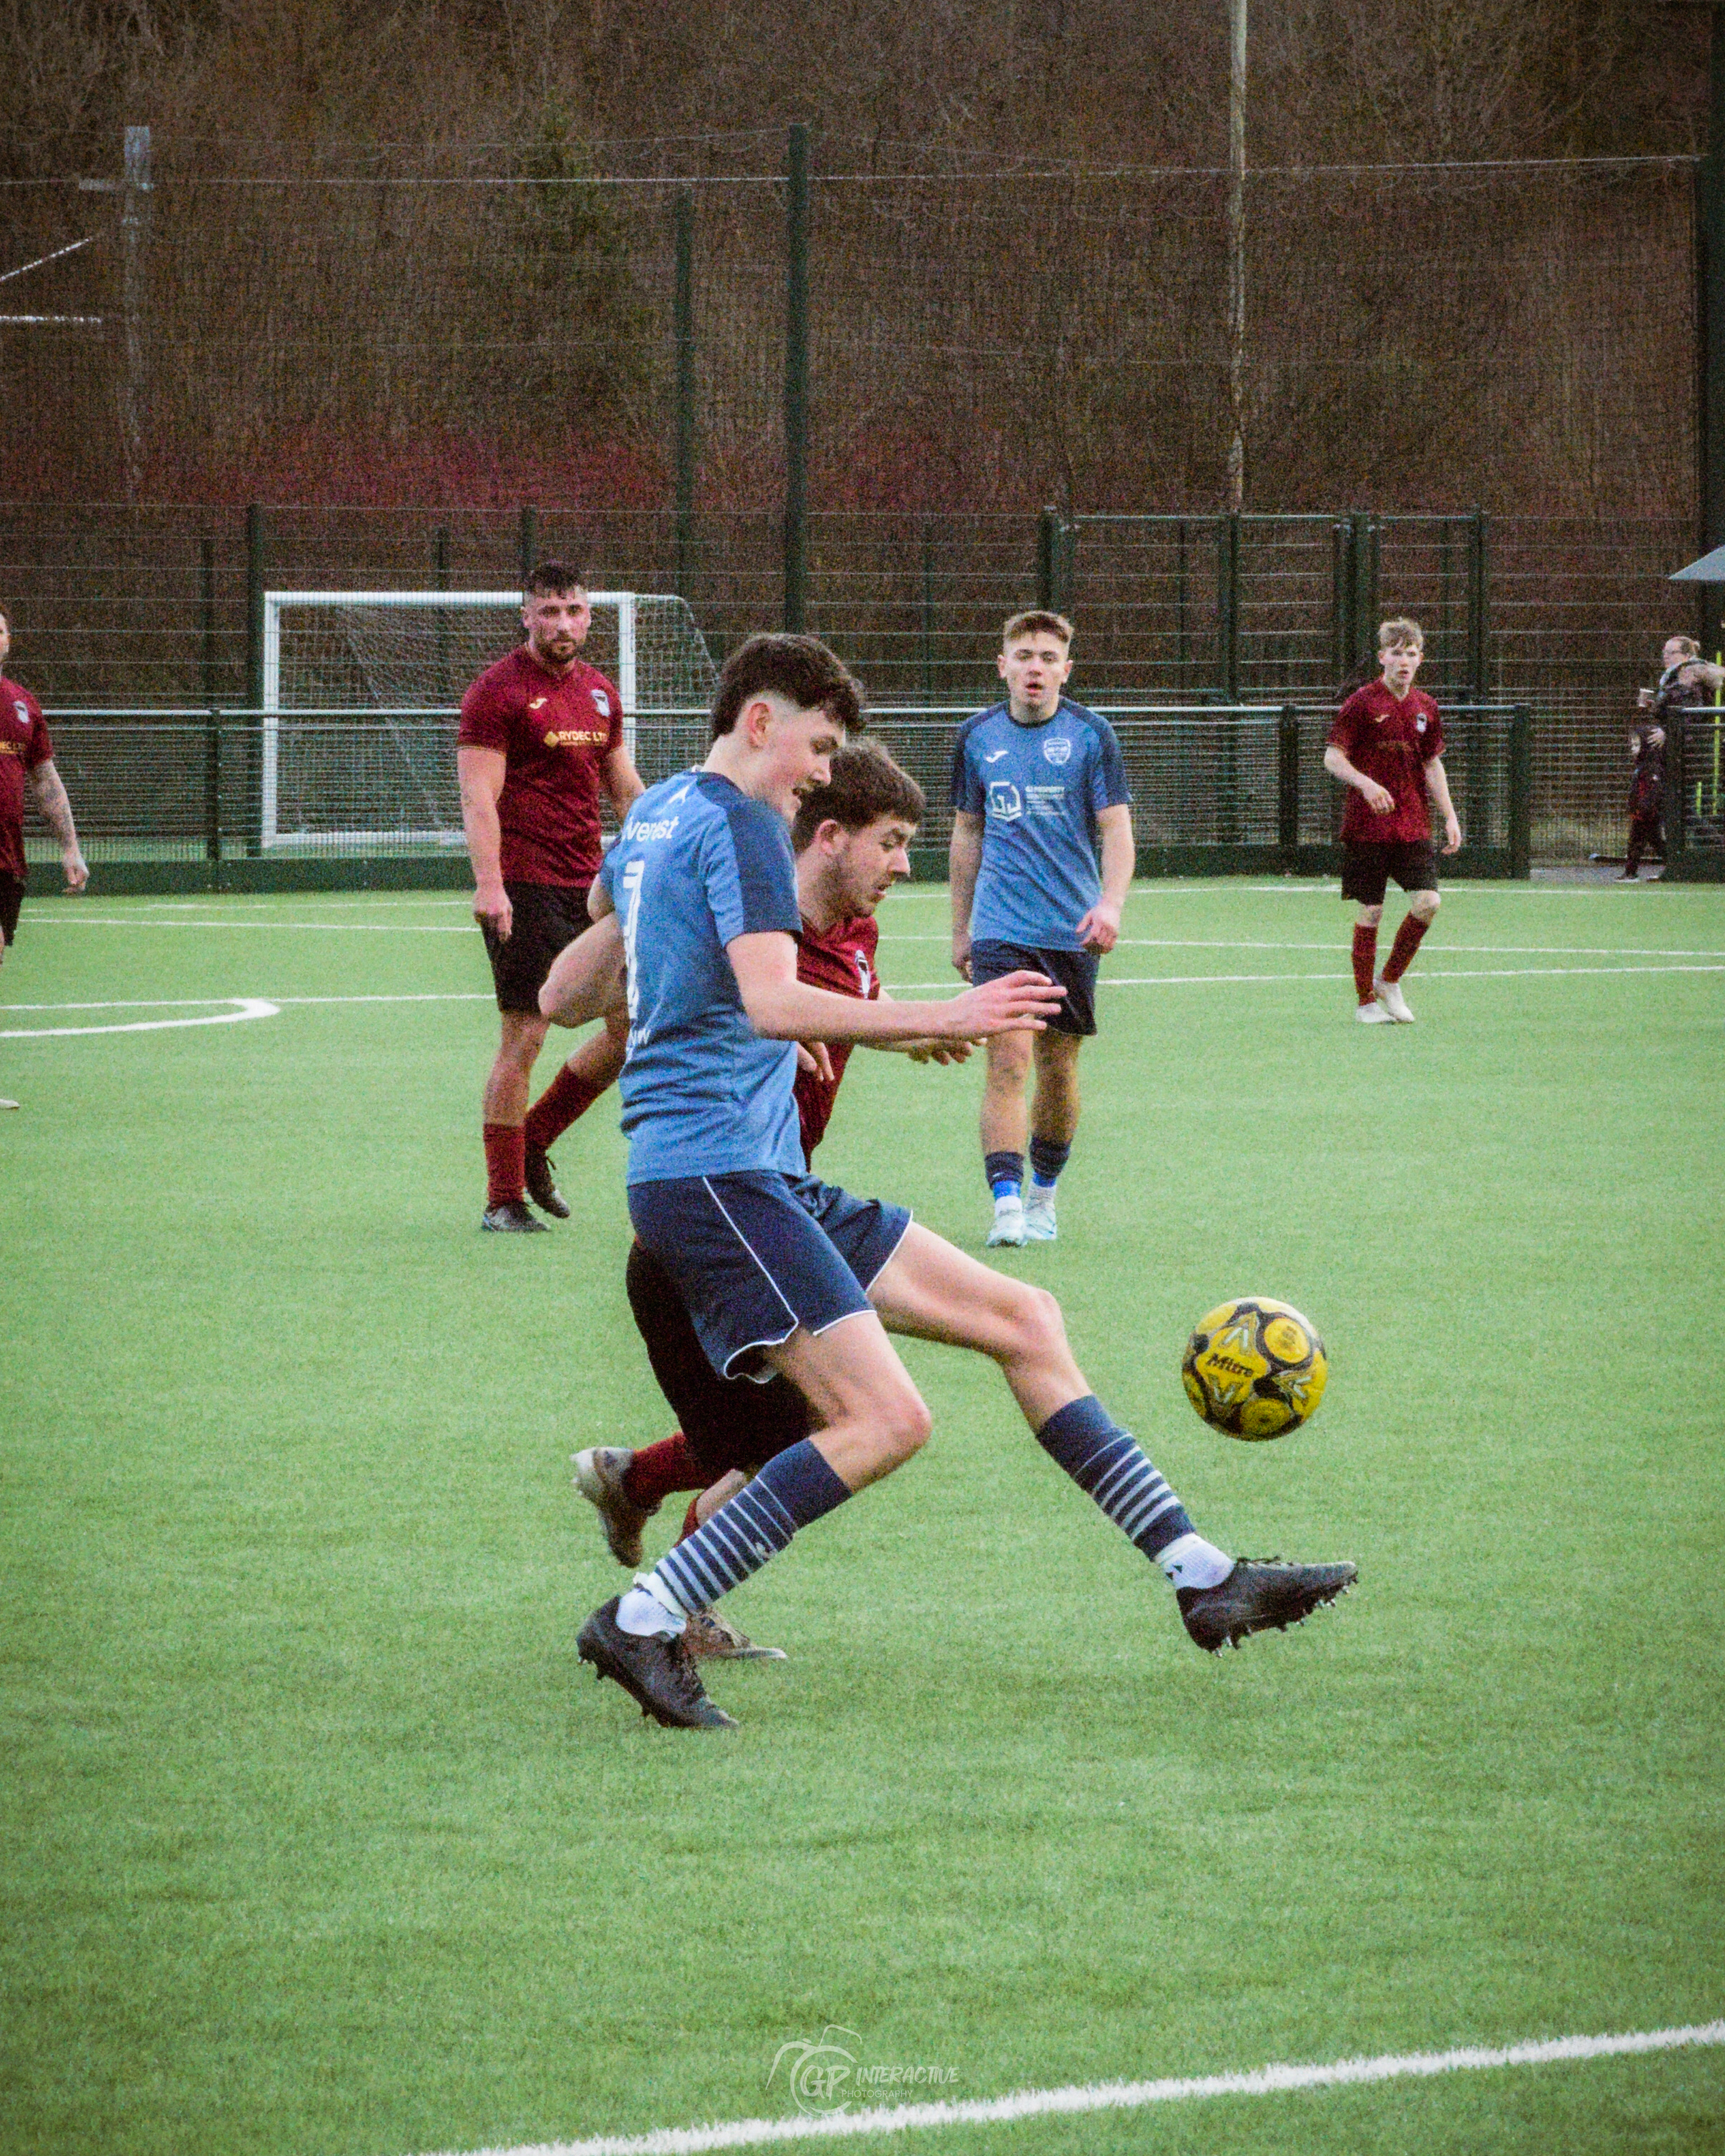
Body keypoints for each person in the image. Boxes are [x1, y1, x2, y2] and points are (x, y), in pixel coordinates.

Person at [547, 630, 1356, 1731]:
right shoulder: (739, 819)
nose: (818, 772)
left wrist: (658, 948)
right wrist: (944, 1012)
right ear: (756, 724)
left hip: (756, 1174)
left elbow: (561, 992)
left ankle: (1200, 1574)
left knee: (1025, 1316)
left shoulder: (653, 816)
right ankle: (647, 1616)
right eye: (816, 745)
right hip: (715, 1176)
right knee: (885, 1419)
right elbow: (773, 1002)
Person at [555, 739, 967, 1661]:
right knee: (845, 1422)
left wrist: (899, 1031)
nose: (905, 865)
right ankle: (659, 1608)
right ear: (829, 836)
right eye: (894, 841)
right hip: (721, 1203)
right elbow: (676, 1006)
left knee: (813, 1421)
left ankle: (641, 1504)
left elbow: (837, 997)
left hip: (778, 1199)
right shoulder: (755, 923)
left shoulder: (850, 925)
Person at [456, 561, 644, 1232]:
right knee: (526, 1033)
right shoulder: (496, 693)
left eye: (574, 611)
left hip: (591, 888)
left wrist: (663, 844)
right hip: (525, 883)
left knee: (629, 1030)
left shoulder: (599, 693)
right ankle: (503, 1198)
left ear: (590, 616)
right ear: (526, 616)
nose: (563, 624)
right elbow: (478, 796)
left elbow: (624, 790)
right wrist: (490, 884)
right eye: (549, 612)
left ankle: (534, 1137)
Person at [949, 610, 1134, 1249]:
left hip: (1071, 931)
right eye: (1024, 655)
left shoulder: (1092, 735)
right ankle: (1004, 1206)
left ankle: (1043, 1197)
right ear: (1003, 665)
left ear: (1066, 669)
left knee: (1058, 1066)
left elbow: (1116, 830)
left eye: (1049, 657)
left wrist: (1109, 905)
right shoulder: (975, 737)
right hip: (1002, 927)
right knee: (1007, 1060)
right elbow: (968, 833)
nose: (1036, 667)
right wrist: (961, 929)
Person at [1323, 617, 1461, 1025]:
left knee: (1429, 902)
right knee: (1372, 912)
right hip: (1368, 828)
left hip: (1412, 825)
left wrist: (1451, 816)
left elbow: (1433, 765)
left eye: (1412, 653)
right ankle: (1366, 1003)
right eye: (1397, 653)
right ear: (1382, 657)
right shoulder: (1362, 703)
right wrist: (1366, 785)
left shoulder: (1426, 708)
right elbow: (1332, 758)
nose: (1404, 661)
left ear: (1421, 659)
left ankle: (1390, 980)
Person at [0, 603, 88, 979]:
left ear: (8, 643)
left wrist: (70, 849)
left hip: (5, 850)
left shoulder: (23, 705)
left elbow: (46, 781)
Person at [1625, 636, 1722, 879]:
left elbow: (1691, 715)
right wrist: (1652, 706)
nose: (1665, 656)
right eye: (1664, 651)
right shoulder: (1673, 677)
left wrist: (1668, 731)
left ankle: (1705, 857)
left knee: (1678, 810)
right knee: (1675, 810)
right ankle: (1679, 865)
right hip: (1679, 755)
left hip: (1686, 756)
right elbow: (1674, 711)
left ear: (1686, 655)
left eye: (1672, 652)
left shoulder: (1687, 675)